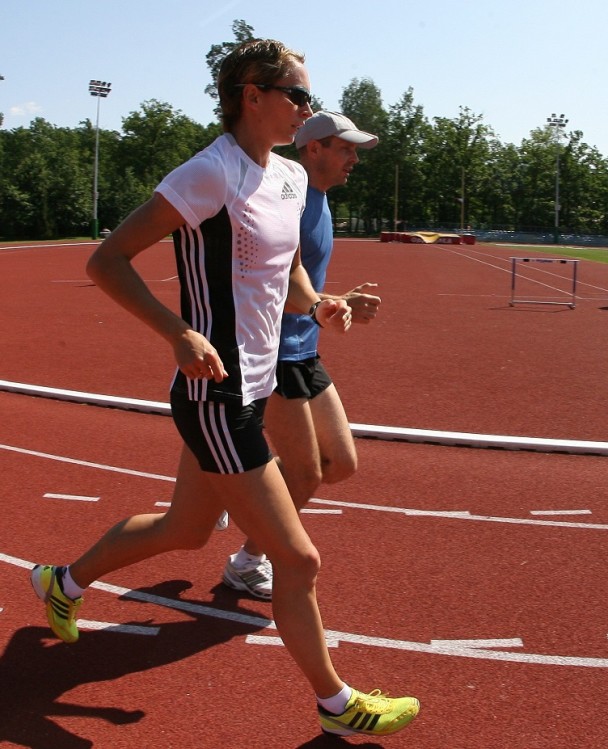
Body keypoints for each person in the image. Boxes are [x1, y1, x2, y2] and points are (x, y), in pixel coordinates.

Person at [29, 39, 419, 738]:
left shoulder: (293, 180)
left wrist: (325, 304)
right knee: (299, 558)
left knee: (184, 530)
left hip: (254, 388)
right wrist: (177, 333)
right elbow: (106, 259)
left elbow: (288, 278)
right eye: (297, 96)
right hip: (215, 396)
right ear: (252, 94)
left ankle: (64, 581)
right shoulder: (210, 173)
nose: (305, 109)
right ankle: (339, 707)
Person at [222, 111, 381, 601]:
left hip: (305, 349)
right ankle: (249, 560)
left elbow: (298, 283)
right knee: (308, 471)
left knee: (340, 463)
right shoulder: (285, 202)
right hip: (274, 355)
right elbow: (259, 279)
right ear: (313, 149)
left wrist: (333, 302)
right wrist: (316, 306)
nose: (354, 158)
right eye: (345, 148)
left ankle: (240, 481)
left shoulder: (321, 201)